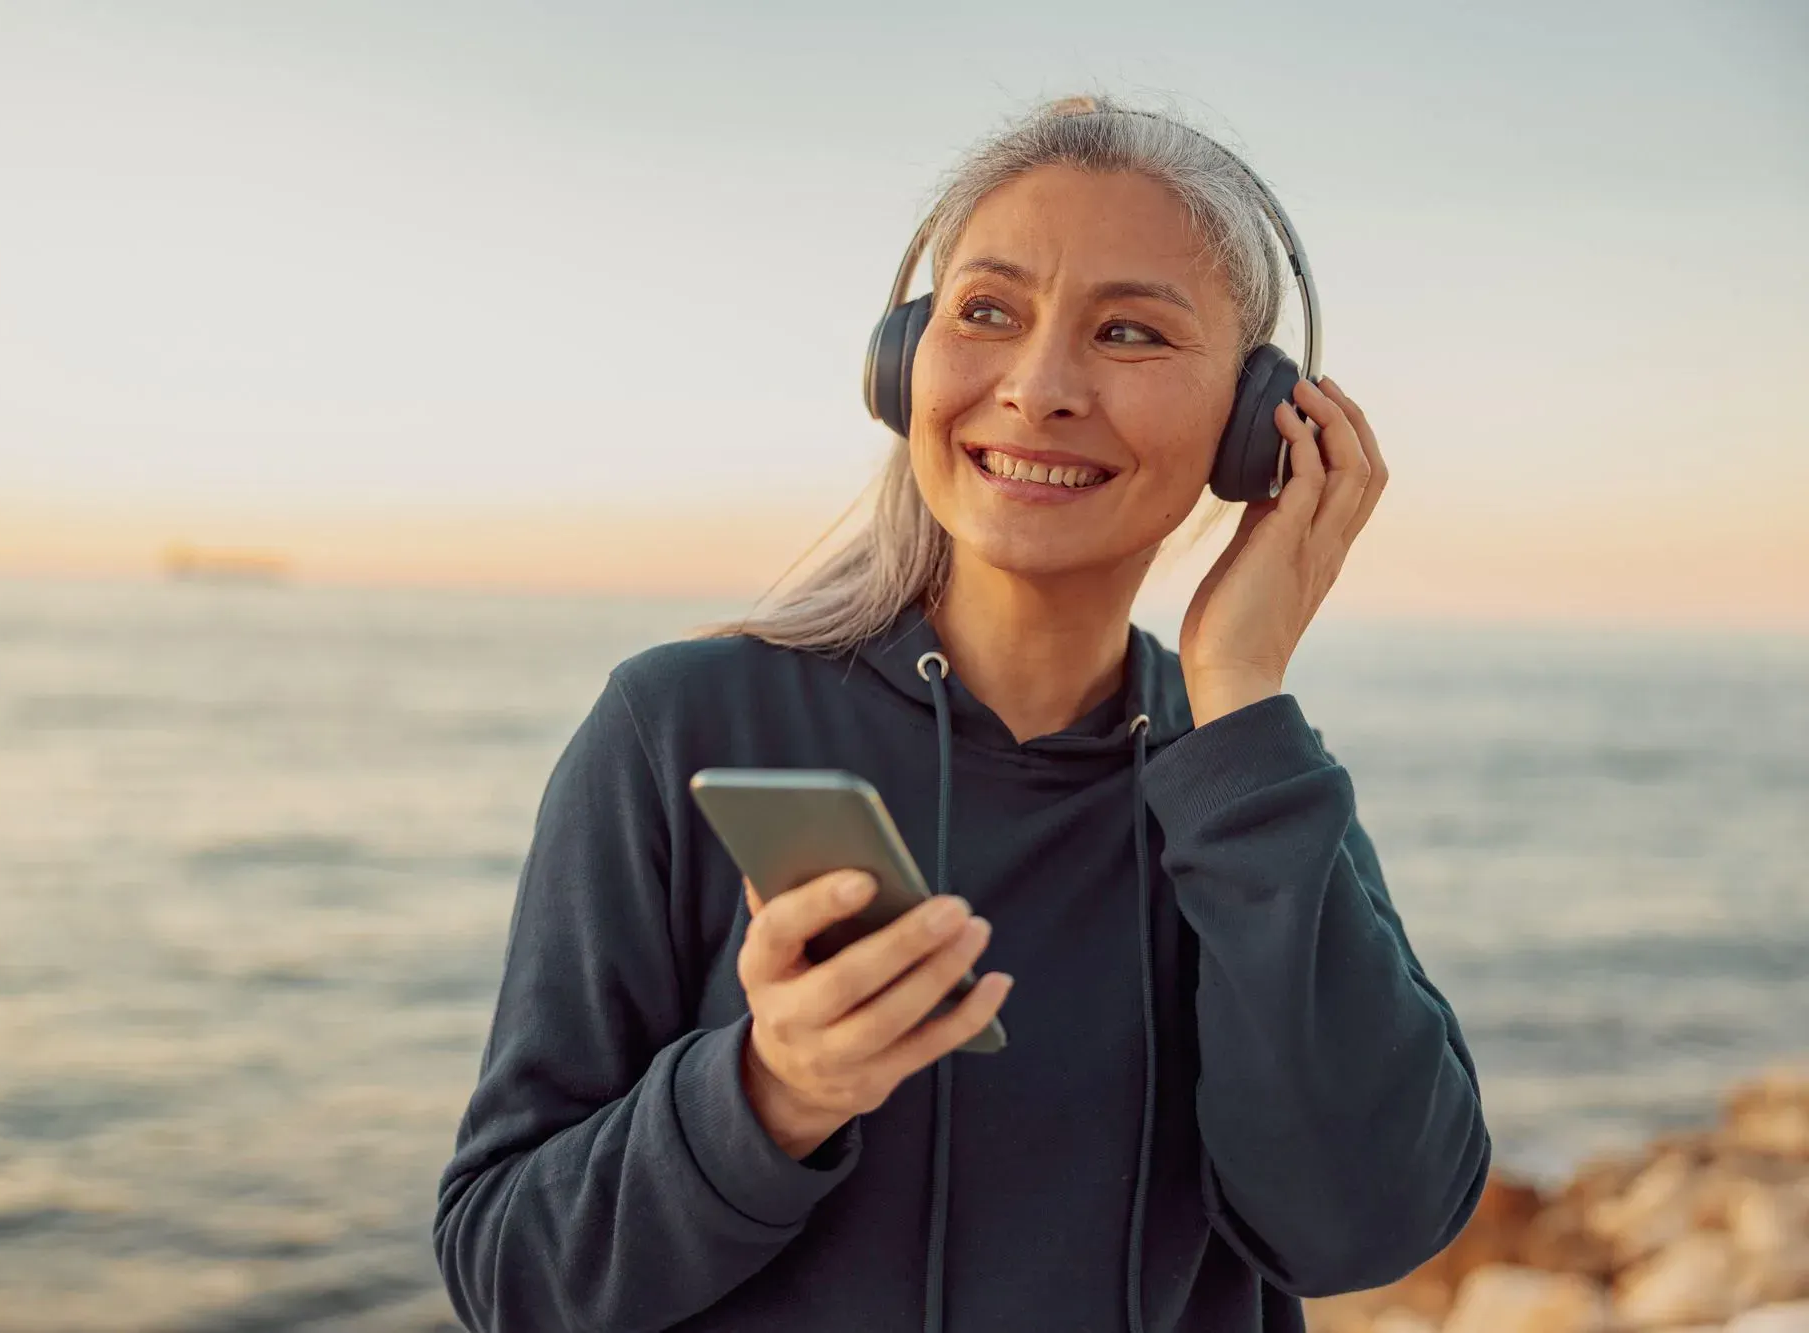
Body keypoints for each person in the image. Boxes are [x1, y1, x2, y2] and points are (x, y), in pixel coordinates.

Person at [434, 92, 1489, 1333]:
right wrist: (767, 1095)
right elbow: (509, 1274)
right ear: (902, 363)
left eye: (1130, 333)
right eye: (986, 311)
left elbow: (1361, 1227)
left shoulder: (1241, 786)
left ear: (1259, 424)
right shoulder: (681, 726)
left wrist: (1241, 693)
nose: (1038, 388)